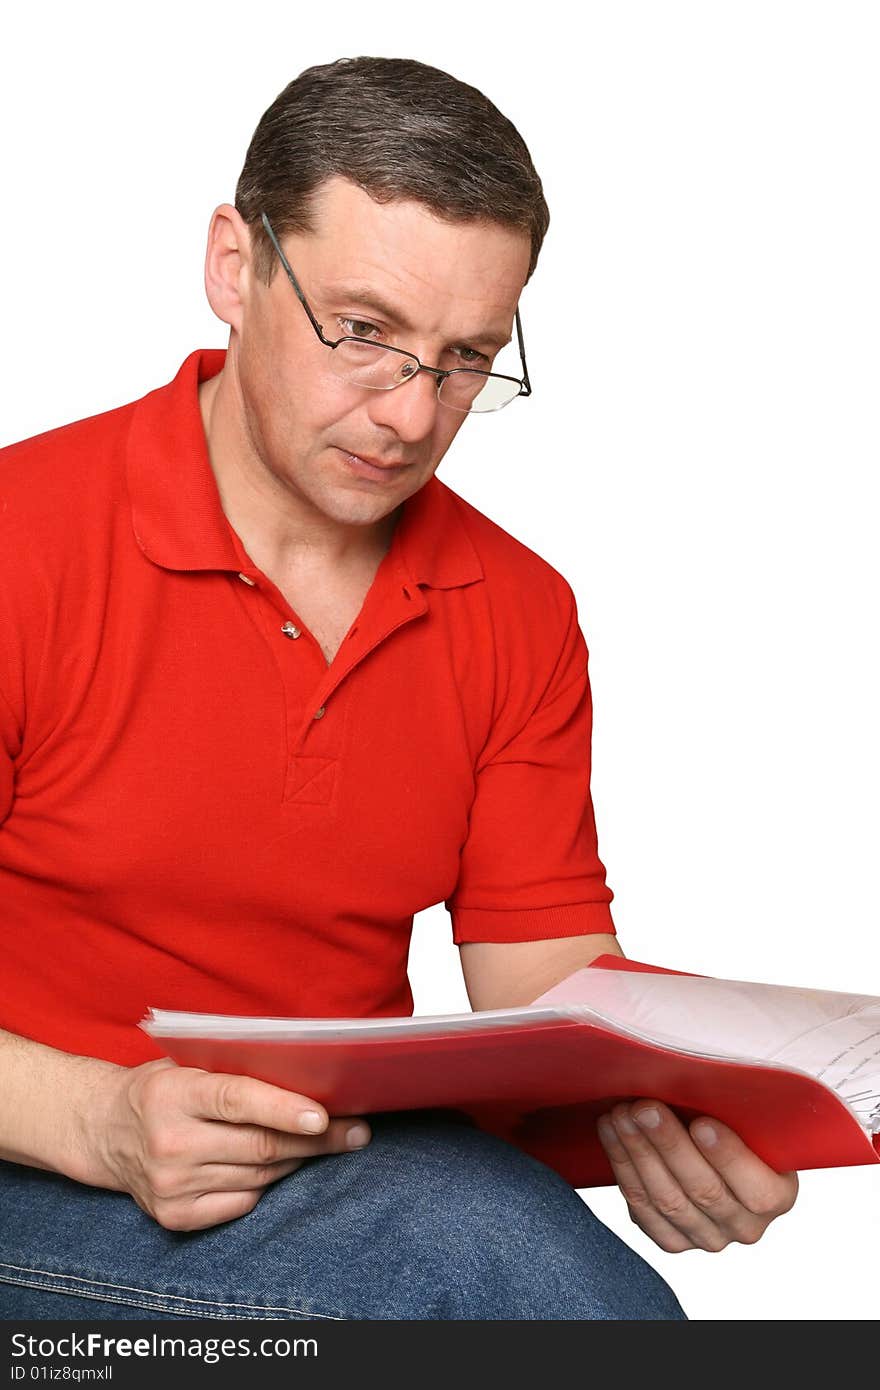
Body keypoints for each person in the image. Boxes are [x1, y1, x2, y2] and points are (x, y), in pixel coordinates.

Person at [0, 55, 797, 1322]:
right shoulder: (22, 543)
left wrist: (677, 1110)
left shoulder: (517, 609)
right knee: (478, 1264)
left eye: (466, 357)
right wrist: (96, 1120)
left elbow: (550, 992)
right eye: (364, 333)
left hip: (334, 1170)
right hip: (34, 1160)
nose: (412, 414)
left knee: (519, 1263)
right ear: (234, 265)